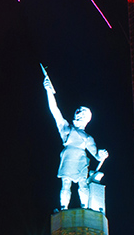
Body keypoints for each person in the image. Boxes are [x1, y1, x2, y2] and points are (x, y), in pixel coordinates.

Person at [44, 75, 108, 210]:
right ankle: (63, 207)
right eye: (78, 112)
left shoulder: (88, 138)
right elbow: (55, 110)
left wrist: (102, 154)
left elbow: (97, 155)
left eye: (81, 113)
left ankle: (85, 208)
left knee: (82, 184)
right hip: (67, 157)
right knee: (65, 183)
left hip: (81, 160)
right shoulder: (66, 128)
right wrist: (49, 91)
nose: (78, 114)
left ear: (86, 118)